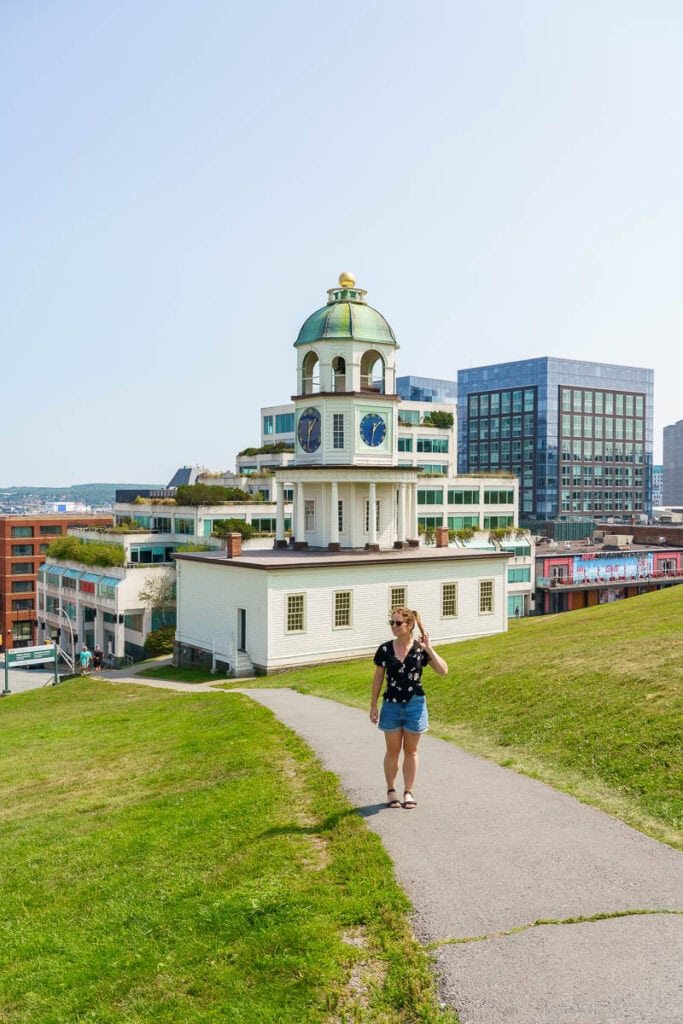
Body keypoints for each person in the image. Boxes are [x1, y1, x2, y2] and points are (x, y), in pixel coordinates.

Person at [370, 607, 448, 809]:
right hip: (391, 706)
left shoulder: (420, 649)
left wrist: (429, 648)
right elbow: (378, 678)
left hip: (415, 705)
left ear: (409, 625)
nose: (394, 627)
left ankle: (408, 792)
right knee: (393, 751)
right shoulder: (385, 649)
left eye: (398, 623)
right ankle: (391, 790)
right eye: (392, 623)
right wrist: (373, 705)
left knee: (411, 751)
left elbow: (443, 671)